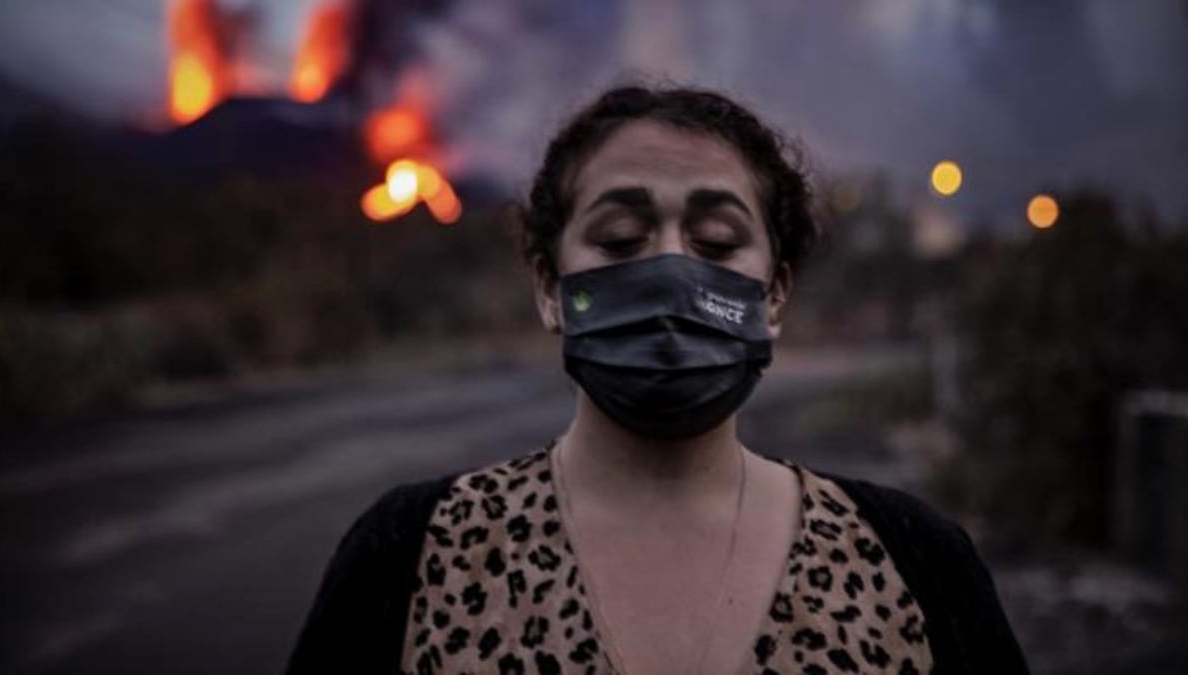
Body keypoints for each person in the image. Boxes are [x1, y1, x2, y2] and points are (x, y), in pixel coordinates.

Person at [287, 85, 1028, 674]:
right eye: (619, 239)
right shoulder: (414, 551)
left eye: (716, 241)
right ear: (549, 287)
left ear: (773, 295)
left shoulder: (911, 557)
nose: (669, 270)